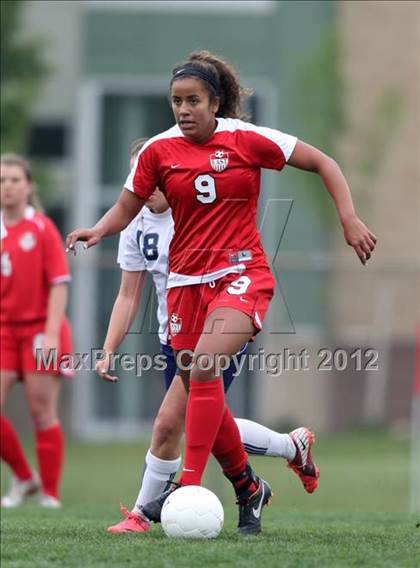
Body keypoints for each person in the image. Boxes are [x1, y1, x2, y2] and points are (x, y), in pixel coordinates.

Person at [67, 50, 377, 534]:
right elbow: (125, 208)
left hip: (241, 274)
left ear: (215, 102)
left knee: (202, 369)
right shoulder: (157, 151)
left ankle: (184, 488)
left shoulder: (246, 138)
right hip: (186, 288)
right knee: (200, 395)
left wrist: (349, 217)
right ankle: (252, 485)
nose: (184, 109)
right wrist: (98, 231)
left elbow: (323, 162)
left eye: (193, 100)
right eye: (176, 101)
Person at [98, 139, 319, 534]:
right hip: (174, 333)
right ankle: (277, 459)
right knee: (210, 421)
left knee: (169, 423)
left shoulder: (202, 210)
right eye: (136, 178)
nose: (144, 185)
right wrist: (109, 348)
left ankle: (141, 515)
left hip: (216, 325)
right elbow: (128, 294)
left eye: (150, 176)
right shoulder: (136, 224)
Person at [1, 153, 74, 508]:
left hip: (39, 330)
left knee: (41, 410)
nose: (8, 186)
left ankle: (50, 493)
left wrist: (50, 334)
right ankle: (24, 477)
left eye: (15, 179)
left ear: (28, 185)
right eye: (2, 180)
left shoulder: (42, 227)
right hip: (3, 330)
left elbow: (59, 284)